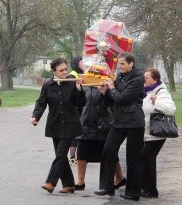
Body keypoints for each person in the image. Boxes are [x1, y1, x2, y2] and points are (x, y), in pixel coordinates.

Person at [31, 57, 86, 194]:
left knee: (60, 155)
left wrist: (79, 90)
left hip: (70, 124)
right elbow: (41, 102)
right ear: (54, 71)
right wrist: (35, 116)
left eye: (65, 69)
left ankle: (51, 182)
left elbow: (80, 103)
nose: (64, 72)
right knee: (60, 155)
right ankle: (69, 184)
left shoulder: (72, 83)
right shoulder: (48, 85)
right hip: (55, 125)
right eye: (61, 70)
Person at [94, 52, 145, 201]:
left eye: (123, 64)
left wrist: (112, 88)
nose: (120, 66)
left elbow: (122, 99)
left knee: (133, 157)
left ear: (131, 64)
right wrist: (105, 93)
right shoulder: (120, 77)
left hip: (134, 122)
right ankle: (107, 186)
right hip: (118, 121)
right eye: (119, 64)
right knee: (108, 151)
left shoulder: (138, 79)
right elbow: (113, 101)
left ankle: (133, 192)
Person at [74, 83, 126, 191]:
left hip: (102, 125)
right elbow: (78, 104)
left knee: (109, 153)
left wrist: (106, 92)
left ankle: (119, 177)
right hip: (85, 123)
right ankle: (80, 181)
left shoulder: (109, 84)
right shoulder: (84, 85)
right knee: (82, 152)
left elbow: (113, 103)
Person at [141, 68, 176, 198]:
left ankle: (150, 190)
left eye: (147, 77)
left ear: (155, 79)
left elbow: (171, 109)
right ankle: (146, 187)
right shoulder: (145, 91)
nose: (144, 79)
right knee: (146, 159)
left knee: (147, 158)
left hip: (156, 133)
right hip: (146, 132)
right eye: (144, 77)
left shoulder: (161, 92)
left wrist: (157, 102)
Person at [68, 56, 85, 165]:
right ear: (76, 63)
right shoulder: (73, 75)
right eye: (82, 61)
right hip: (75, 108)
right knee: (75, 132)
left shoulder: (82, 73)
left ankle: (78, 156)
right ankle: (73, 157)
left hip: (81, 106)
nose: (84, 63)